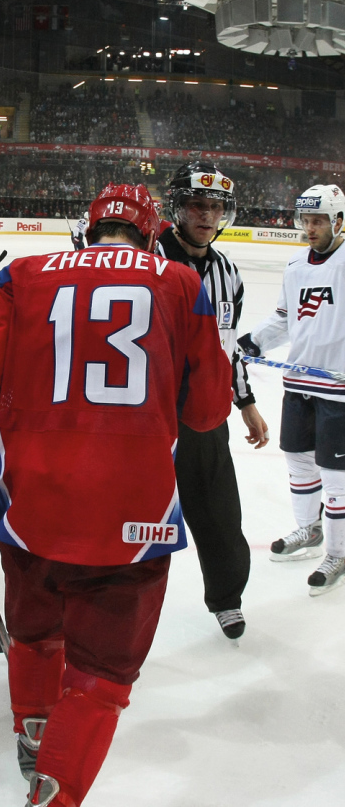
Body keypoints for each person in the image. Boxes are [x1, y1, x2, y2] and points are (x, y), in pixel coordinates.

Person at [0, 183, 232, 807]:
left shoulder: (24, 274)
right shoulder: (179, 282)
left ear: (85, 230)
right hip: (133, 518)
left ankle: (33, 728)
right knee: (101, 677)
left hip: (29, 509)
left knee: (36, 633)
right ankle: (56, 792)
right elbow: (207, 411)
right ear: (151, 235)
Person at [156, 163, 269, 639]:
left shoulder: (227, 272)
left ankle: (226, 597)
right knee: (125, 508)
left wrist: (245, 402)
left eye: (217, 206)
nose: (207, 214)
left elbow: (229, 345)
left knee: (219, 512)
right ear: (177, 208)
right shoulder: (147, 257)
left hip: (203, 413)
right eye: (198, 205)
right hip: (144, 414)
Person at [239, 184, 345, 595]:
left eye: (318, 220)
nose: (310, 228)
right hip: (299, 382)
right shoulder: (297, 263)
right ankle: (310, 530)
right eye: (306, 220)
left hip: (338, 390)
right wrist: (254, 342)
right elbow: (284, 318)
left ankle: (337, 553)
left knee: (336, 478)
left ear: (337, 220)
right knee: (298, 461)